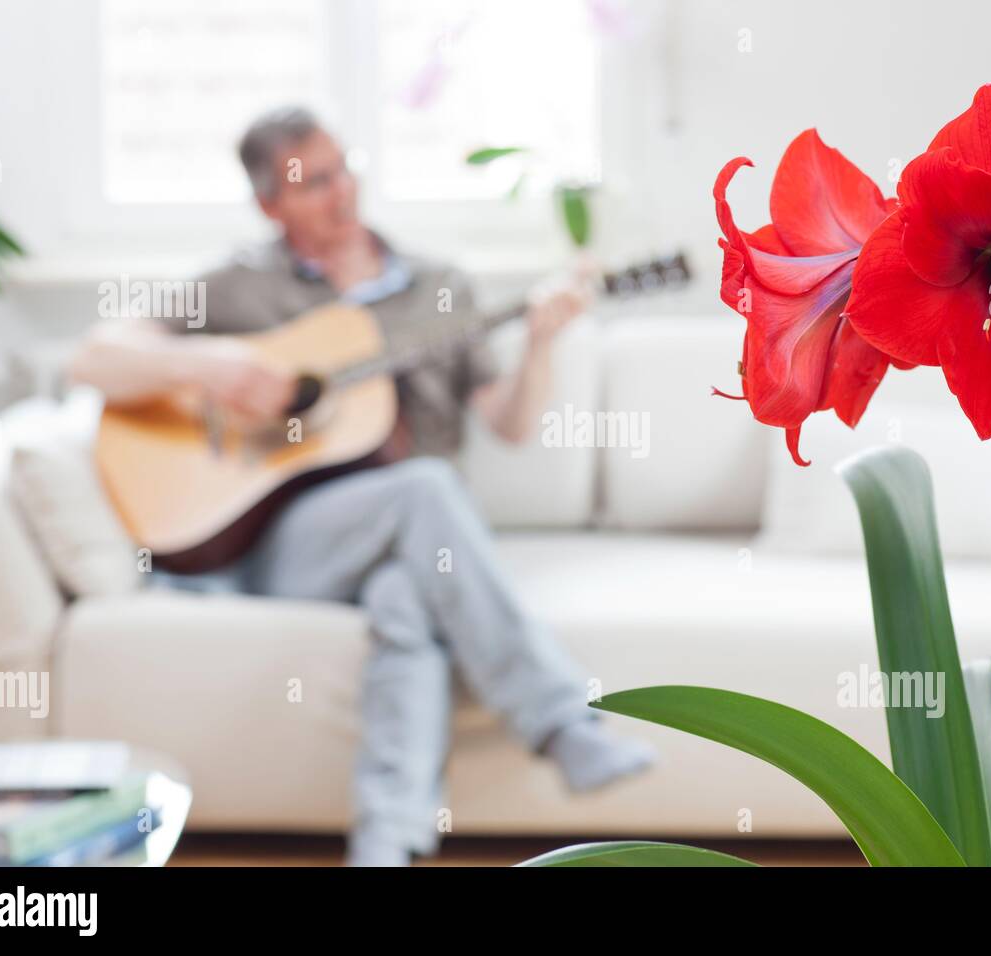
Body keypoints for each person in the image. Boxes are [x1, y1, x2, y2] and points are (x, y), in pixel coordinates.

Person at [67, 107, 655, 867]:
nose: (341, 194)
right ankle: (560, 722)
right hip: (280, 543)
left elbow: (509, 424)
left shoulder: (438, 287)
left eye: (343, 169)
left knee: (405, 598)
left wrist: (541, 342)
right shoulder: (241, 287)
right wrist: (211, 367)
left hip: (415, 542)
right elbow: (93, 359)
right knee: (428, 489)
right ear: (268, 205)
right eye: (312, 183)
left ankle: (386, 843)